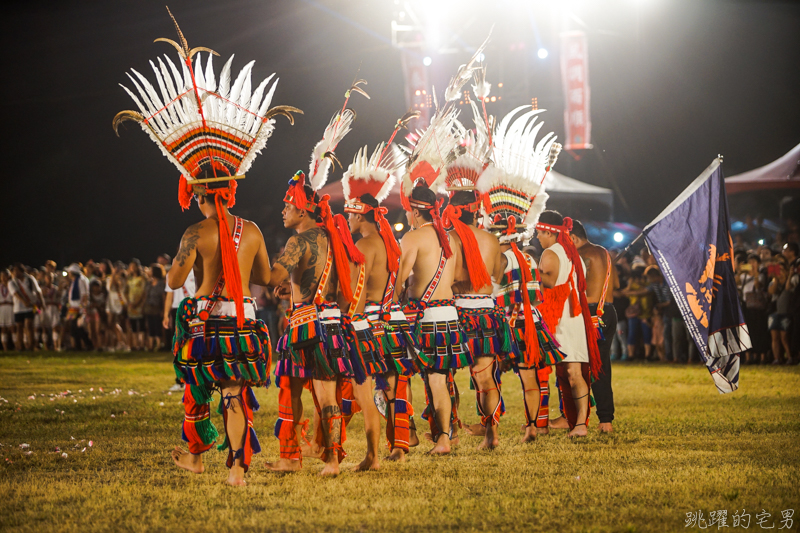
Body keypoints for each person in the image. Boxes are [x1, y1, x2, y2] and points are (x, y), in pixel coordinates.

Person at [114, 14, 295, 485]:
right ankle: (237, 470)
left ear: (199, 193)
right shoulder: (253, 229)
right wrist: (290, 274)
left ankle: (197, 456)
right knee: (236, 395)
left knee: (197, 392)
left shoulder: (195, 233)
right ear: (230, 190)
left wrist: (177, 267)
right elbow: (265, 279)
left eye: (194, 194)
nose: (193, 200)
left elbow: (175, 282)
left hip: (207, 321)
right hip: (246, 318)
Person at [475, 116, 565, 443]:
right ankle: (530, 428)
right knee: (530, 380)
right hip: (530, 322)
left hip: (504, 324)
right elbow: (536, 295)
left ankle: (491, 429)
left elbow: (494, 292)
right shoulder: (529, 257)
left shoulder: (498, 257)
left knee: (487, 377)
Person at [267, 170, 359, 476]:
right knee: (325, 395)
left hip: (306, 325)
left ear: (302, 209)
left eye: (287, 205)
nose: (283, 211)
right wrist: (291, 290)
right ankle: (327, 460)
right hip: (331, 322)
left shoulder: (297, 241)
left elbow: (272, 277)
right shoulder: (331, 237)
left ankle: (294, 456)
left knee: (295, 392)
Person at [341, 137, 419, 464]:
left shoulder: (366, 245)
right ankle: (400, 443)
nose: (346, 219)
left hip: (370, 323)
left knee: (362, 384)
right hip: (393, 320)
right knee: (396, 384)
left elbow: (357, 291)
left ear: (360, 216)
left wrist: (349, 321)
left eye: (349, 214)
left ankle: (356, 448)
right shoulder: (389, 242)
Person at [396, 182, 469, 454]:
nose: (406, 216)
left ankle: (416, 435)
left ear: (415, 212)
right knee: (440, 379)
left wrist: (392, 301)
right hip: (448, 313)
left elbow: (399, 278)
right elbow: (457, 276)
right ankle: (443, 437)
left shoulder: (413, 238)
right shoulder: (449, 238)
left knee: (406, 375)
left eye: (407, 211)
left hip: (426, 316)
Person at [444, 189, 510, 450]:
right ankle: (491, 434)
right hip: (486, 312)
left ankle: (448, 433)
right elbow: (497, 276)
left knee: (444, 376)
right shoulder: (492, 241)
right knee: (485, 378)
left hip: (458, 310)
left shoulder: (449, 238)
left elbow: (446, 279)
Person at [535, 211, 602, 438]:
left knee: (564, 373)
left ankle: (548, 423)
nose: (537, 237)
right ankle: (577, 422)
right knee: (572, 373)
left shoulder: (551, 252)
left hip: (560, 319)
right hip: (573, 317)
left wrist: (529, 272)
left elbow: (550, 281)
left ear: (549, 232)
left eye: (539, 232)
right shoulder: (573, 254)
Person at [570, 219, 619, 433]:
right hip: (609, 311)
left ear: (572, 238)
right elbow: (614, 284)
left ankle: (580, 417)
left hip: (591, 313)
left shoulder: (581, 255)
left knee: (582, 367)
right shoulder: (604, 252)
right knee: (602, 366)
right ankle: (605, 419)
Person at [8, 263, 44, 351]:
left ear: (21, 271)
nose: (15, 272)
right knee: (19, 327)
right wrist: (24, 301)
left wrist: (42, 304)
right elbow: (15, 293)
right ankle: (20, 346)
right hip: (18, 307)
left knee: (29, 325)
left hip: (30, 306)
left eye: (17, 270)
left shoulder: (30, 279)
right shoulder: (12, 282)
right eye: (14, 270)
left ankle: (31, 346)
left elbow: (38, 291)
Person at [144, 264, 166, 351]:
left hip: (157, 308)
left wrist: (164, 310)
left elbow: (164, 297)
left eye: (151, 270)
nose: (149, 271)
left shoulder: (161, 284)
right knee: (150, 326)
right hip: (149, 308)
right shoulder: (149, 283)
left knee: (157, 327)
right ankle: (150, 345)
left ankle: (159, 345)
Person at [126, 260, 146, 350]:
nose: (132, 269)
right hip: (131, 305)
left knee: (141, 326)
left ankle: (141, 345)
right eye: (131, 266)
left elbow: (144, 292)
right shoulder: (129, 279)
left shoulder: (142, 279)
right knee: (133, 326)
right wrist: (129, 303)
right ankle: (134, 345)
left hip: (139, 304)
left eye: (134, 266)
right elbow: (126, 291)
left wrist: (138, 303)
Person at [0, 269, 14, 350]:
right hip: (2, 309)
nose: (4, 278)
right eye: (2, 276)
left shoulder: (12, 285)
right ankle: (5, 348)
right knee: (3, 328)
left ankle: (16, 346)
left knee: (12, 328)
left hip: (10, 308)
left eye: (5, 276)